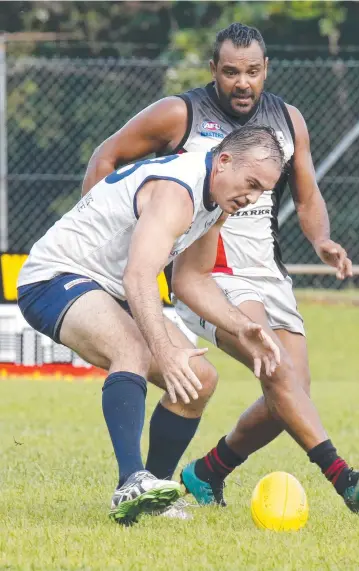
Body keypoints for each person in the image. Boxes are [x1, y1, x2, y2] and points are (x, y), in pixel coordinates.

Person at [82, 22, 359, 515]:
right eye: (231, 71)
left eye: (252, 71)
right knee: (277, 371)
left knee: (292, 396)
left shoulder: (288, 119)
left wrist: (320, 239)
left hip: (269, 273)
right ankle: (346, 480)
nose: (242, 82)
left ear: (265, 70)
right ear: (213, 69)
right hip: (207, 273)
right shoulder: (179, 115)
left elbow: (307, 192)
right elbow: (106, 157)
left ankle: (207, 471)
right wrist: (109, 235)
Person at [17, 126, 284, 525]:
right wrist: (163, 349)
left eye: (262, 190)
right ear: (224, 161)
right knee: (136, 351)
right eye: (251, 183)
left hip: (112, 287)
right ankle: (130, 481)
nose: (251, 198)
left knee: (200, 380)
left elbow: (191, 280)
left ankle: (153, 492)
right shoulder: (178, 191)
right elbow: (138, 277)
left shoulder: (217, 199)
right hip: (55, 277)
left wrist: (241, 324)